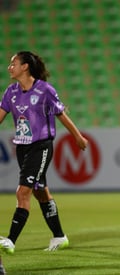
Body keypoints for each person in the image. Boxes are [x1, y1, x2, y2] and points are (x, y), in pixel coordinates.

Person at [0, 51, 88, 254]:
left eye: (13, 63)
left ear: (25, 67)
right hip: (22, 148)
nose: (9, 67)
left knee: (23, 192)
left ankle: (11, 240)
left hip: (41, 147)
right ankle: (59, 236)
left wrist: (77, 136)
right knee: (41, 192)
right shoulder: (10, 92)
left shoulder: (45, 90)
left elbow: (61, 115)